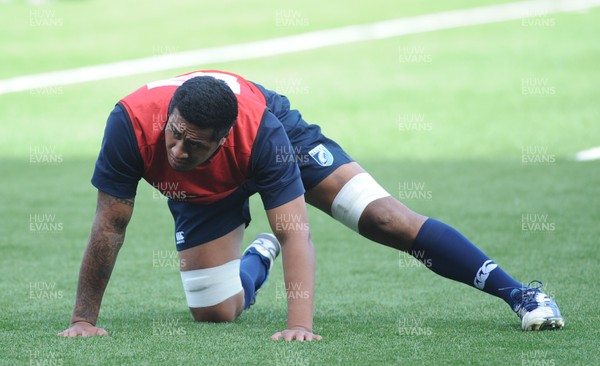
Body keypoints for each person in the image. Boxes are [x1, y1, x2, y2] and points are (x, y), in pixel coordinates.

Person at [58, 70, 564, 341]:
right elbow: (110, 224)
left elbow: (295, 231)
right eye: (174, 135)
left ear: (224, 138)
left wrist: (299, 324)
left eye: (194, 145)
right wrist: (84, 318)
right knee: (215, 312)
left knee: (385, 218)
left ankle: (521, 295)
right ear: (168, 116)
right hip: (207, 189)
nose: (177, 152)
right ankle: (253, 259)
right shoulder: (129, 123)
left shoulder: (264, 136)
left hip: (274, 141)